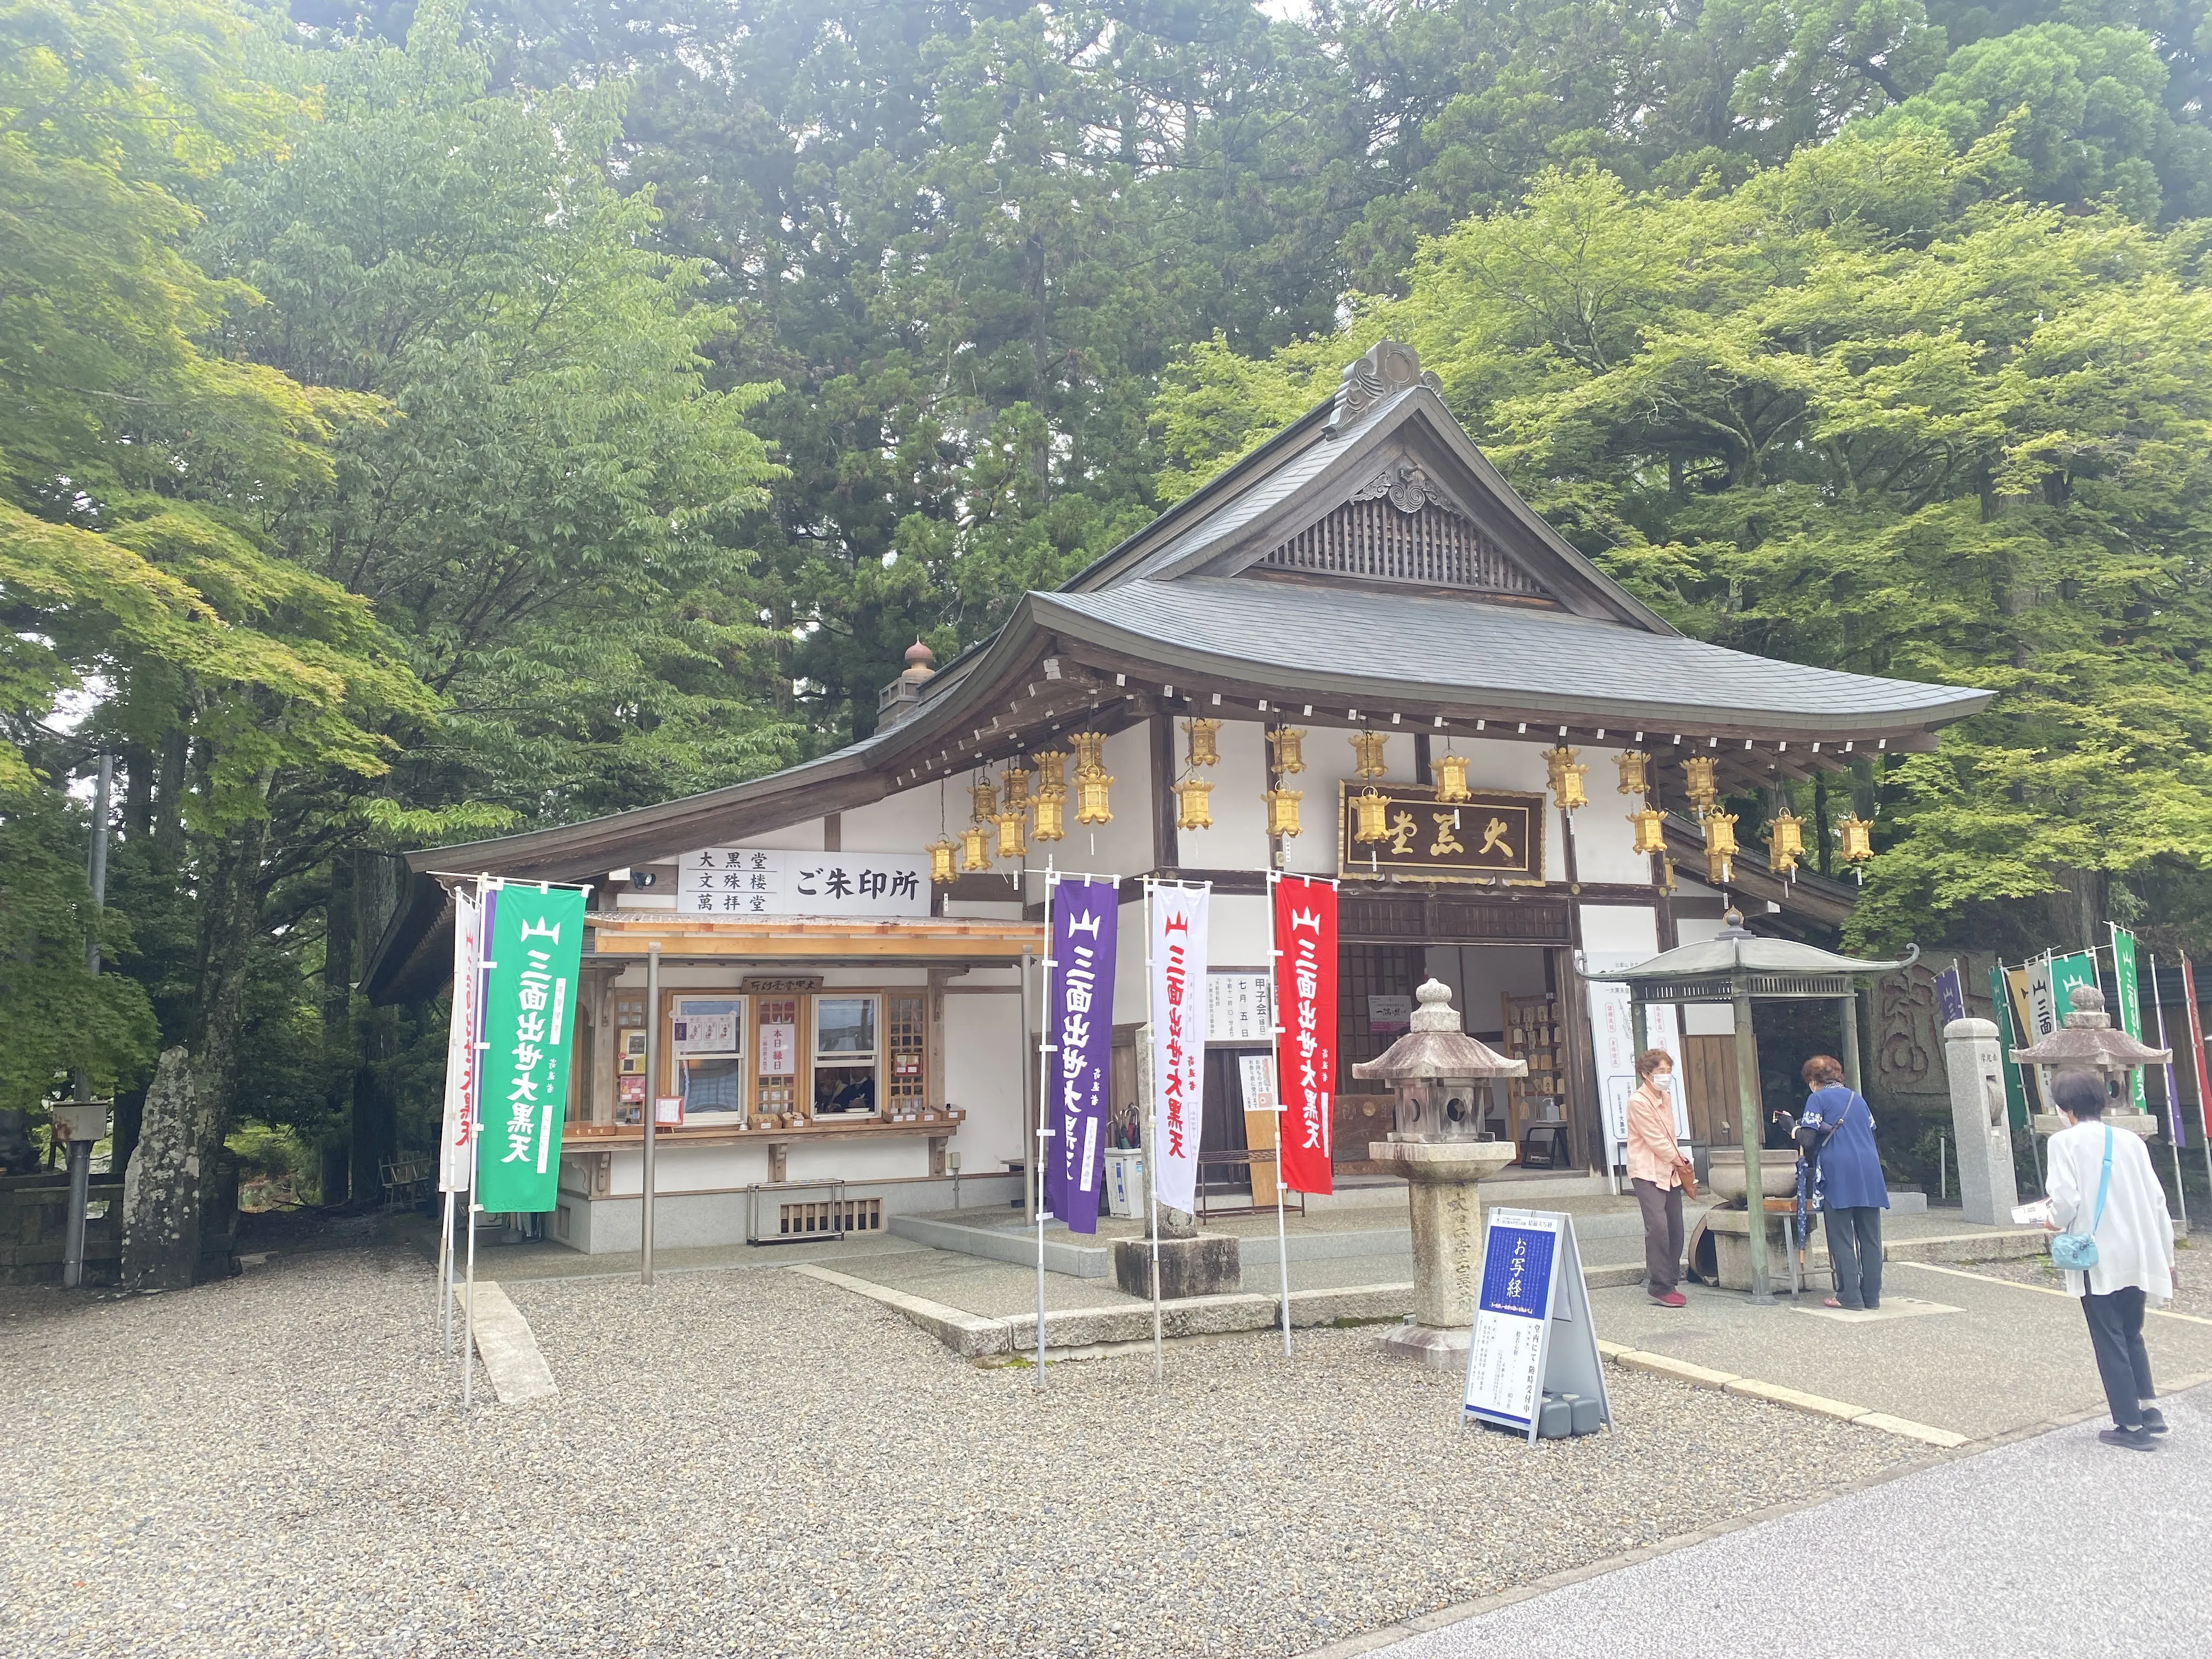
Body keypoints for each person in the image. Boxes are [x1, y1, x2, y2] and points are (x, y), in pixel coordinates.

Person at [2044, 1068, 2178, 1452]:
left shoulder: (2063, 1143)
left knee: (2108, 1337)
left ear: (2064, 1106)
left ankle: (2130, 1426)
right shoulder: (2130, 1141)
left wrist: (2051, 1221)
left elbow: (2066, 1202)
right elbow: (2156, 1199)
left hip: (2097, 1253)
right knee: (2131, 1332)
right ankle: (2150, 1411)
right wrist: (2165, 1254)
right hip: (2138, 1250)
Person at [1797, 1055, 1887, 1310]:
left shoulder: (1817, 1098)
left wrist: (1792, 1129)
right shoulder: (1856, 1098)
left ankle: (1850, 1296)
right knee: (1870, 1237)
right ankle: (1872, 1296)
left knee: (1842, 1236)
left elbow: (1808, 1139)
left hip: (1838, 1170)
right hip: (1869, 1169)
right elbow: (1870, 1127)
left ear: (1813, 1080)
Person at [1626, 1048, 1694, 1307]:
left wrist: (1679, 1162)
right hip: (1646, 1171)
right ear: (1646, 1074)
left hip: (1669, 1170)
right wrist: (1681, 1160)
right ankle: (1660, 1285)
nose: (1666, 1077)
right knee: (1658, 1228)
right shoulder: (1638, 1101)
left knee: (1675, 1227)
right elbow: (1655, 1139)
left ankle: (1670, 1280)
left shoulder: (1665, 1097)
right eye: (1660, 1072)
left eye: (1668, 1072)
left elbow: (1669, 1137)